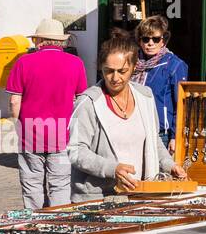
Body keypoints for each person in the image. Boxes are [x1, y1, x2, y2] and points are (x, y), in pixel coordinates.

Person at [67, 31, 188, 201]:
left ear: (133, 67)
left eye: (122, 71)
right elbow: (75, 151)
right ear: (101, 68)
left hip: (139, 193)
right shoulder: (88, 102)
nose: (115, 78)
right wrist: (112, 168)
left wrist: (169, 165)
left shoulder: (145, 96)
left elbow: (153, 140)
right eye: (109, 71)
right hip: (97, 197)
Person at [6, 18, 89, 209]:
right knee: (60, 184)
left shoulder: (23, 62)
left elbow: (14, 100)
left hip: (31, 135)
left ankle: (35, 224)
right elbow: (80, 100)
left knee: (32, 183)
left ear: (39, 40)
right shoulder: (76, 63)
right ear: (61, 41)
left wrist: (18, 124)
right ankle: (59, 224)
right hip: (62, 135)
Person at [132, 15, 189, 150]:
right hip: (134, 128)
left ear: (163, 41)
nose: (150, 43)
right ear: (140, 41)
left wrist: (175, 136)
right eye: (146, 39)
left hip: (160, 132)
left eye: (155, 39)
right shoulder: (132, 63)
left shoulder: (174, 65)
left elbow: (181, 104)